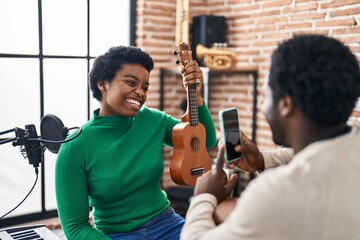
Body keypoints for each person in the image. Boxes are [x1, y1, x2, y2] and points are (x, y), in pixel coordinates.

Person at [180, 34, 360, 240]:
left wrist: (204, 196)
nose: (263, 107)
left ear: (285, 104)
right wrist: (262, 160)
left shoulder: (274, 193)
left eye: (266, 96)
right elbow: (318, 154)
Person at [55, 45, 217, 240]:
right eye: (131, 83)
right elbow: (75, 227)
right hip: (115, 235)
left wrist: (197, 95)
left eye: (145, 87)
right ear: (102, 84)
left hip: (168, 225)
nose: (140, 92)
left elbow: (206, 142)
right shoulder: (74, 147)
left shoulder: (154, 121)